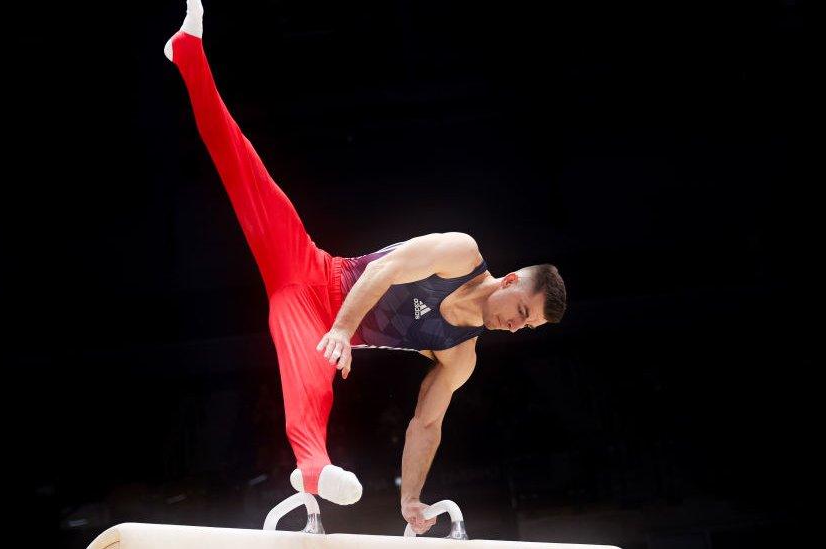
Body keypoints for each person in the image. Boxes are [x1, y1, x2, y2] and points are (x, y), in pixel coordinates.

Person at [163, 0, 567, 534]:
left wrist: (413, 501)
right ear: (512, 280)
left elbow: (426, 424)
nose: (515, 327)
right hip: (312, 270)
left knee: (312, 377)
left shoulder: (459, 355)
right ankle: (188, 52)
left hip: (311, 320)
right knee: (240, 162)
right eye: (521, 312)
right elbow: (386, 269)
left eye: (525, 328)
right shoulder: (460, 252)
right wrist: (343, 329)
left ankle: (313, 467)